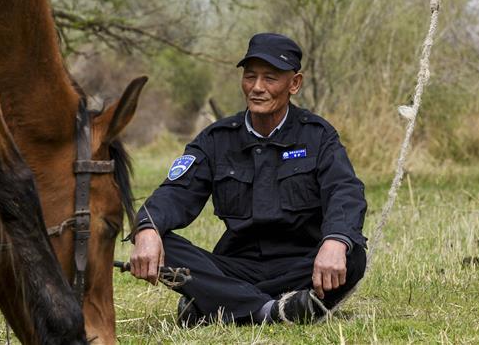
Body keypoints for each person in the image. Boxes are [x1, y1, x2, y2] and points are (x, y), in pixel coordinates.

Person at [130, 33, 367, 325]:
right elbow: (176, 192)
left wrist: (335, 241)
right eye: (250, 76)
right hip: (236, 265)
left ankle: (217, 303)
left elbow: (344, 191)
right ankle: (273, 310)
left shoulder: (317, 135)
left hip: (303, 264)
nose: (257, 88)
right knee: (164, 245)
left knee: (352, 254)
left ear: (294, 84)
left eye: (270, 78)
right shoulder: (216, 139)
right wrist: (147, 229)